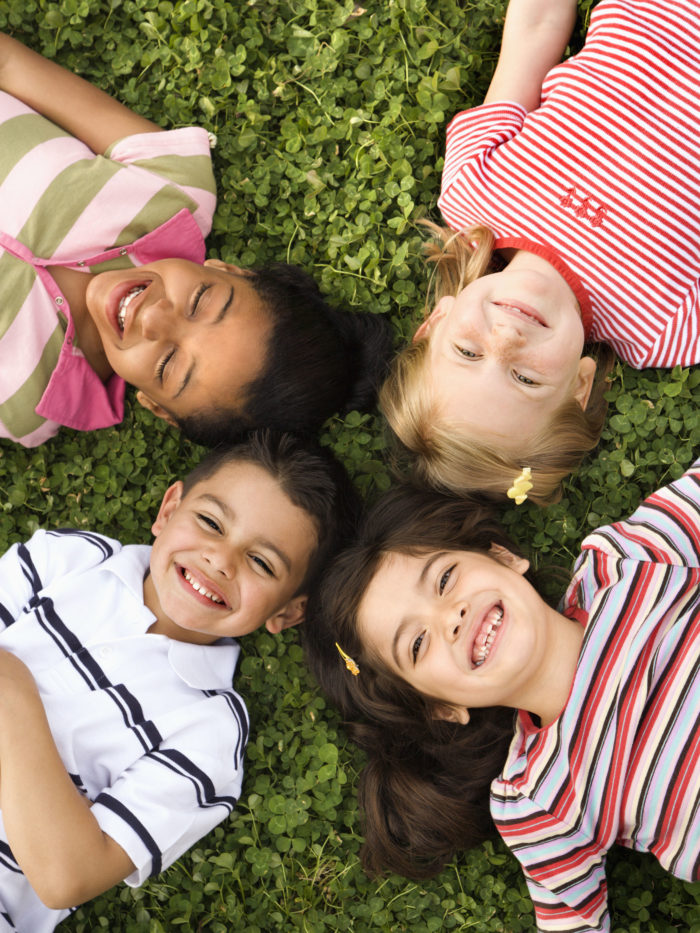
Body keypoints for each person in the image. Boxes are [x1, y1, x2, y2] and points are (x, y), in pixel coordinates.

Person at [304, 462, 700, 931]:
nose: (451, 617)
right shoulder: (534, 797)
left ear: (504, 556)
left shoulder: (619, 563)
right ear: (443, 708)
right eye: (417, 644)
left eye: (444, 579)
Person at [0, 429, 358, 932]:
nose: (220, 560)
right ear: (169, 510)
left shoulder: (209, 731)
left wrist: (12, 689)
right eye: (210, 522)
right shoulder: (72, 560)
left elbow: (66, 874)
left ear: (288, 611)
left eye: (260, 562)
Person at [0, 33, 391, 448]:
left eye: (168, 365)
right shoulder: (176, 192)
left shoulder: (26, 407)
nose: (153, 319)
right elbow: (9, 65)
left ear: (156, 406)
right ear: (227, 270)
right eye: (201, 301)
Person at [380, 0, 700, 505]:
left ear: (436, 322)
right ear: (579, 386)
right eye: (525, 378)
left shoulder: (472, 194)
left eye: (468, 352)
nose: (505, 340)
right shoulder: (660, 327)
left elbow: (533, 34)